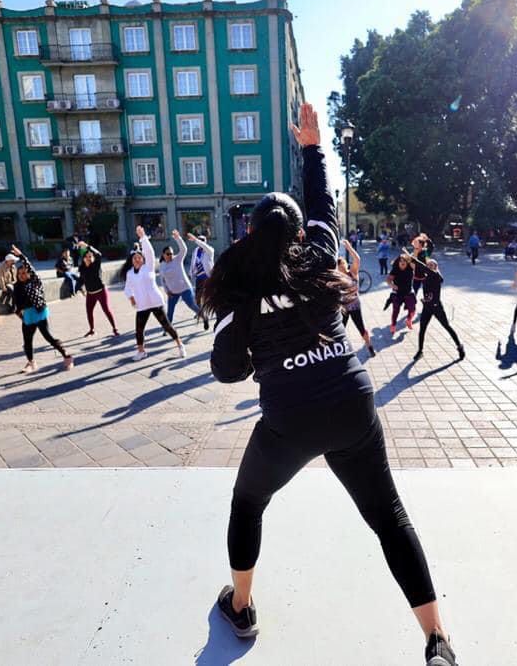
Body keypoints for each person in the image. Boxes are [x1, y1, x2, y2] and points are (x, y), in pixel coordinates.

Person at [200, 103, 457, 666]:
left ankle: (240, 608)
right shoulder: (319, 255)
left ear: (248, 233)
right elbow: (322, 208)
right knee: (389, 517)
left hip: (289, 419)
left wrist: (257, 355)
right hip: (351, 401)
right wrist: (313, 149)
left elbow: (226, 370)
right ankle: (437, 640)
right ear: (298, 234)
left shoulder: (239, 288)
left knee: (248, 503)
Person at [124, 226, 186, 361]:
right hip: (142, 305)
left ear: (143, 259)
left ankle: (180, 345)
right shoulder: (130, 274)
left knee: (167, 325)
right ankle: (141, 351)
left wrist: (143, 238)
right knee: (139, 329)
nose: (137, 259)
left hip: (155, 302)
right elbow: (128, 288)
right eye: (134, 258)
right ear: (132, 260)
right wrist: (131, 298)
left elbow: (149, 252)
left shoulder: (148, 267)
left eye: (139, 257)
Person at [9, 245, 73, 374]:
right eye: (19, 274)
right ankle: (31, 362)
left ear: (29, 273)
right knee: (27, 341)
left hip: (39, 313)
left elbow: (30, 267)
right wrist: (20, 314)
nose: (21, 275)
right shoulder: (17, 286)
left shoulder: (35, 282)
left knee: (48, 337)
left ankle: (67, 356)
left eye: (24, 273)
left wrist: (21, 255)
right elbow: (16, 303)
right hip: (27, 316)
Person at [411, 255, 464, 362]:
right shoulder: (426, 276)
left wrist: (415, 260)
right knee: (422, 329)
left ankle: (459, 346)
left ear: (436, 267)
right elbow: (418, 270)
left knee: (447, 326)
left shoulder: (436, 275)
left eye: (432, 265)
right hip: (427, 307)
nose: (430, 266)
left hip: (437, 307)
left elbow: (422, 267)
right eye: (429, 265)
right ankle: (420, 351)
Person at [338, 239, 376, 357]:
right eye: (338, 266)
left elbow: (357, 259)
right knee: (340, 329)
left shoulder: (352, 273)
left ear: (345, 264)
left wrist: (349, 247)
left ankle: (370, 347)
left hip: (354, 306)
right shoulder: (336, 278)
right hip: (343, 308)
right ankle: (340, 351)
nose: (341, 268)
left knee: (361, 328)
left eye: (342, 264)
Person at [159, 230, 202, 326]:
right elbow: (162, 280)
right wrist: (167, 291)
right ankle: (168, 329)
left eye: (171, 253)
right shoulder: (162, 265)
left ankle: (203, 316)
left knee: (192, 305)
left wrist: (178, 238)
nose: (170, 256)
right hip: (173, 292)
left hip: (185, 289)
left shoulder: (177, 259)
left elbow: (184, 249)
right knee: (170, 311)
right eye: (168, 254)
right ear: (163, 254)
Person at [76, 241, 119, 337]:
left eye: (90, 256)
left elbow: (99, 254)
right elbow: (81, 280)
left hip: (101, 291)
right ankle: (92, 329)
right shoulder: (82, 268)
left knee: (106, 310)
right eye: (87, 257)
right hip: (90, 294)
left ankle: (114, 328)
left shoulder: (96, 265)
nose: (89, 258)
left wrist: (87, 246)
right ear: (83, 258)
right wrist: (79, 289)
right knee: (89, 311)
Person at [187, 232, 215, 331]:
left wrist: (196, 240)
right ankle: (202, 315)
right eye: (200, 240)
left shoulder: (210, 250)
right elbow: (193, 263)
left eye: (203, 241)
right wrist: (190, 274)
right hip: (199, 278)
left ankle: (215, 311)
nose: (201, 242)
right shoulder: (196, 251)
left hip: (208, 278)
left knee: (210, 298)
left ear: (205, 242)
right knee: (197, 299)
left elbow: (203, 245)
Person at [387, 253, 417, 336]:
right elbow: (388, 280)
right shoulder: (395, 269)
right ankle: (393, 325)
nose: (402, 262)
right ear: (398, 262)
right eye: (401, 261)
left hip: (408, 292)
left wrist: (408, 256)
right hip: (398, 293)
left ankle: (409, 320)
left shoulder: (410, 268)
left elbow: (415, 262)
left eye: (404, 261)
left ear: (407, 262)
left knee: (412, 309)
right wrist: (392, 285)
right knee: (396, 310)